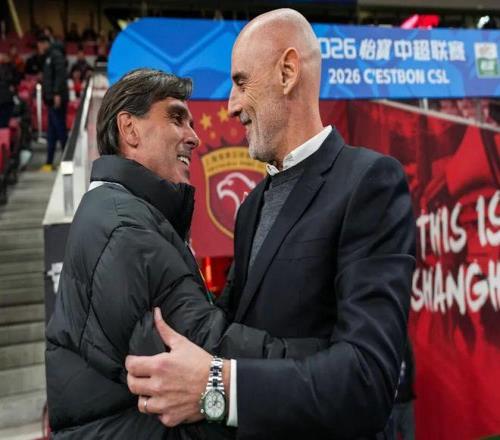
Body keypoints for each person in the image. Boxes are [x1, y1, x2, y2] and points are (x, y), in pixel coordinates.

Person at [126, 8, 416, 439]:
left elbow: (368, 378)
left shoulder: (369, 182)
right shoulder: (251, 206)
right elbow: (230, 326)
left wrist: (219, 387)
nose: (231, 105)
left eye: (241, 82)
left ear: (287, 72)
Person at [45, 68, 328, 439]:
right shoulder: (124, 227)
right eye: (176, 118)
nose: (194, 137)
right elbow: (201, 348)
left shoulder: (119, 212)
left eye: (191, 123)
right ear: (129, 129)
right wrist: (323, 361)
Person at [38, 34, 69, 171]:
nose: (39, 48)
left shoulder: (56, 55)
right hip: (51, 99)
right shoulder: (48, 56)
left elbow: (61, 75)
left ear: (45, 43)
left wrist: (56, 93)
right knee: (51, 132)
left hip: (57, 99)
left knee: (60, 130)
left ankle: (67, 161)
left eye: (40, 44)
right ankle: (49, 162)